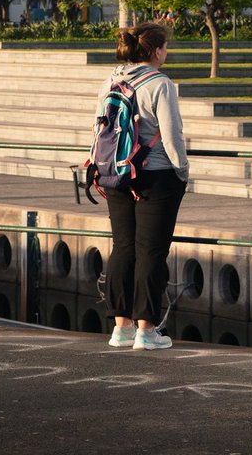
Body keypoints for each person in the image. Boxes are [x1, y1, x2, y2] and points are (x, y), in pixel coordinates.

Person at [98, 21, 188, 352]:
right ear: (155, 50)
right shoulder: (161, 84)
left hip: (116, 173)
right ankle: (146, 330)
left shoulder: (112, 79)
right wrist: (183, 170)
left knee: (123, 246)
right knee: (150, 250)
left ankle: (120, 328)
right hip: (156, 175)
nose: (166, 54)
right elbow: (172, 134)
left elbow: (100, 125)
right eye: (165, 48)